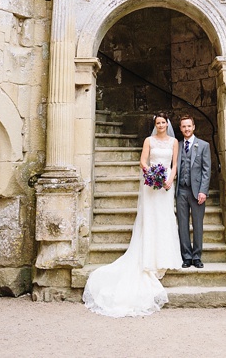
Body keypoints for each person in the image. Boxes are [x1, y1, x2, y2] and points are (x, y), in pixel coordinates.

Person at [83, 113, 182, 317]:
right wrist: (151, 173)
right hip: (151, 184)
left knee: (164, 219)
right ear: (155, 125)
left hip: (166, 186)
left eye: (163, 123)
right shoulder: (149, 140)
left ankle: (163, 257)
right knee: (150, 219)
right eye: (158, 123)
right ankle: (148, 257)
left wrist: (169, 180)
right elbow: (142, 161)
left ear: (167, 124)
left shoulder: (174, 142)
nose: (161, 125)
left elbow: (174, 164)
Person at [177, 115, 211, 268]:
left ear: (194, 127)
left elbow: (206, 170)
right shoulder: (176, 146)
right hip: (181, 190)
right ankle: (186, 256)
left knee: (197, 224)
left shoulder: (203, 145)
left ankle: (197, 256)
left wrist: (203, 191)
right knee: (182, 224)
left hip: (197, 192)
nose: (186, 129)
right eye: (184, 126)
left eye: (189, 126)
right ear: (180, 128)